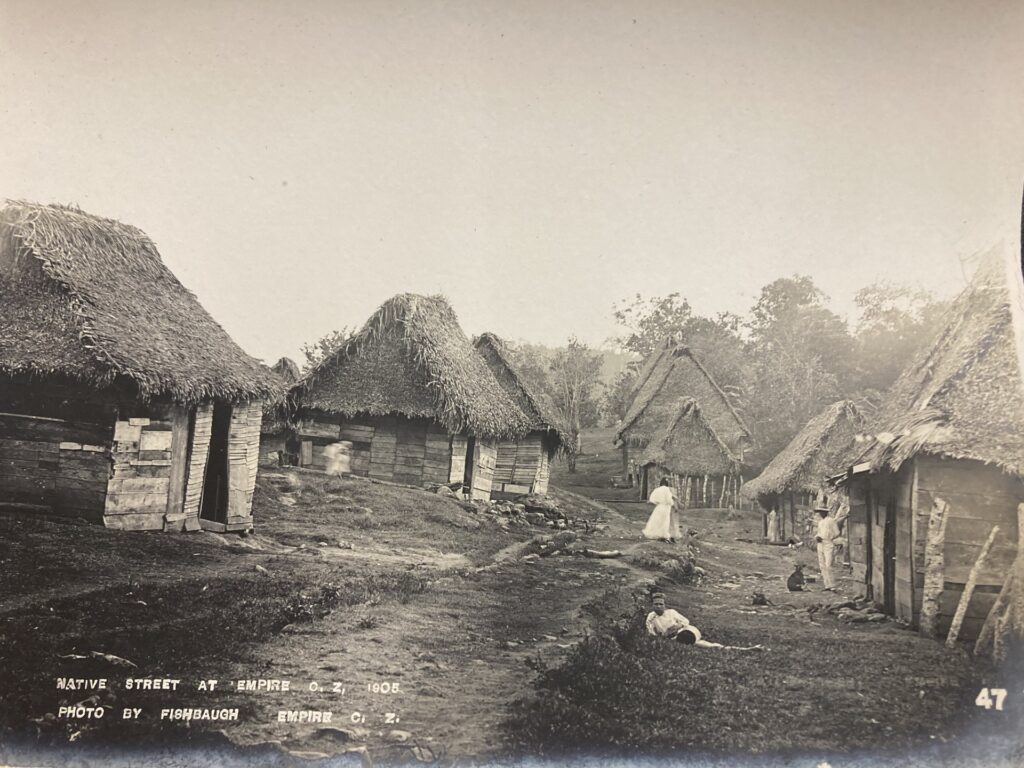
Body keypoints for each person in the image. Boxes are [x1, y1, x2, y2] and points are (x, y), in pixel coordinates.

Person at [645, 593, 764, 650]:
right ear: (652, 605)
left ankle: (746, 649)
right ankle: (747, 649)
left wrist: (675, 627)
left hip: (686, 631)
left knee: (687, 637)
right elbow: (651, 632)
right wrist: (662, 636)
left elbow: (685, 621)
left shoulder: (671, 612)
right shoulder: (651, 617)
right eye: (656, 604)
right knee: (708, 646)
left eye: (661, 604)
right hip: (676, 638)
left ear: (664, 605)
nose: (659, 606)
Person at [815, 506, 842, 591]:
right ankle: (827, 585)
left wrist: (830, 537)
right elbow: (818, 532)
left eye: (822, 512)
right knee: (822, 565)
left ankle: (832, 585)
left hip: (828, 544)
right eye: (820, 512)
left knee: (828, 565)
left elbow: (837, 532)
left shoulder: (831, 521)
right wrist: (817, 537)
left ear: (826, 512)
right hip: (820, 543)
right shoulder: (820, 522)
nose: (821, 513)